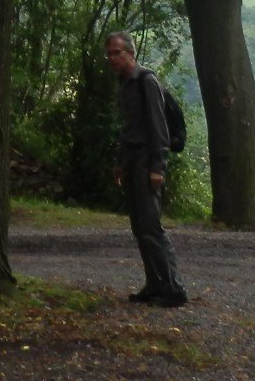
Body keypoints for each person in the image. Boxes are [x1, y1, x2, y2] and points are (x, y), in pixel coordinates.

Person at [105, 31, 188, 308]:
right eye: (109, 54)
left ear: (131, 52)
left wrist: (158, 167)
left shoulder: (146, 82)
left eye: (117, 52)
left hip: (146, 163)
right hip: (131, 161)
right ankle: (154, 285)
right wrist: (119, 161)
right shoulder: (124, 85)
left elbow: (158, 128)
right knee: (140, 227)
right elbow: (128, 128)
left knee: (152, 226)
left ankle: (172, 288)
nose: (112, 58)